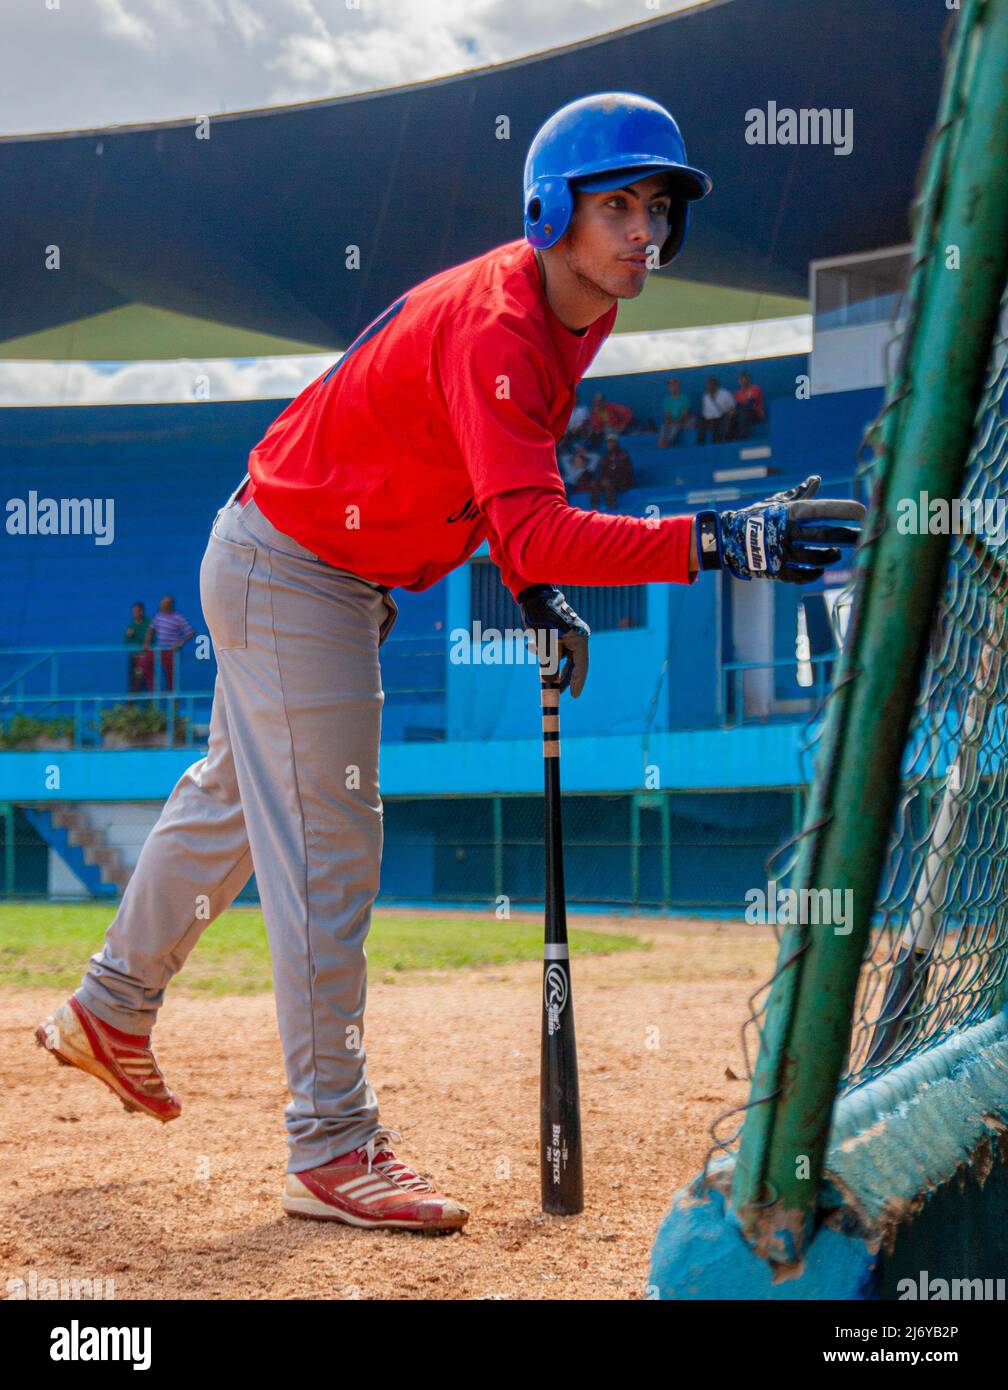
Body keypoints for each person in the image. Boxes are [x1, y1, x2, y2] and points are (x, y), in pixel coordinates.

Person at [35, 92, 864, 1236]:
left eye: (657, 208)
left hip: (300, 558)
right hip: (299, 569)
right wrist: (718, 536)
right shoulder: (500, 322)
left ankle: (108, 1011)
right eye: (616, 204)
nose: (642, 232)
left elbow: (490, 483)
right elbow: (526, 515)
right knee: (332, 845)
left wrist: (535, 584)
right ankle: (331, 1144)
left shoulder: (578, 310)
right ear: (549, 210)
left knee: (230, 799)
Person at [148, 595, 195, 692]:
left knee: (171, 677)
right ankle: (154, 692)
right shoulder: (158, 616)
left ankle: (173, 702)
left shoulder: (178, 618)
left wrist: (179, 643)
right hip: (159, 651)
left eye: (164, 603)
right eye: (161, 603)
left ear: (170, 605)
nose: (161, 605)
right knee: (145, 665)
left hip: (171, 652)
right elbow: (151, 630)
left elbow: (191, 632)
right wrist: (146, 643)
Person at [589, 435, 635, 510]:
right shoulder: (605, 456)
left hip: (623, 481)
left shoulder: (623, 454)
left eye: (612, 442)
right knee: (593, 483)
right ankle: (595, 505)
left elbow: (626, 472)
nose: (610, 444)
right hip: (608, 480)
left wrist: (610, 478)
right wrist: (603, 479)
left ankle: (611, 505)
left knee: (608, 482)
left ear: (616, 443)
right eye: (608, 442)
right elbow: (602, 471)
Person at [124, 601, 153, 695]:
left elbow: (149, 639)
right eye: (133, 612)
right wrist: (129, 636)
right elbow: (126, 642)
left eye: (137, 611)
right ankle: (131, 704)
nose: (135, 614)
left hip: (146, 657)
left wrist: (136, 635)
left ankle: (151, 704)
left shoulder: (149, 623)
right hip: (134, 658)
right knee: (133, 680)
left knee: (144, 680)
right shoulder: (131, 625)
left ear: (142, 611)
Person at [698, 375, 737, 443]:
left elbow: (732, 407)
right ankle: (701, 444)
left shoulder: (725, 393)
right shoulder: (705, 397)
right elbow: (705, 411)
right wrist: (708, 418)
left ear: (716, 385)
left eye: (711, 385)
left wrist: (729, 414)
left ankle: (719, 442)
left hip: (722, 416)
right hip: (710, 418)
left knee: (721, 423)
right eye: (708, 385)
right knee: (701, 423)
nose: (709, 387)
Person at [658, 377, 693, 448]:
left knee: (675, 427)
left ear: (678, 386)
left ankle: (667, 443)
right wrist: (669, 421)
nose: (672, 387)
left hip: (682, 421)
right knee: (663, 427)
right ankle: (662, 441)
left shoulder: (684, 398)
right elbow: (667, 414)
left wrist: (677, 421)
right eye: (670, 385)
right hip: (671, 422)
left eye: (674, 385)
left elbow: (685, 414)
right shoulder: (666, 400)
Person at [734, 370, 766, 439]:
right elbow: (738, 406)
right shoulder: (738, 393)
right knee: (731, 416)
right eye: (740, 380)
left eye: (744, 379)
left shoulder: (755, 389)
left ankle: (743, 437)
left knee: (743, 415)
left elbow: (751, 404)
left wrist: (740, 407)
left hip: (756, 414)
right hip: (743, 412)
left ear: (748, 380)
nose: (742, 382)